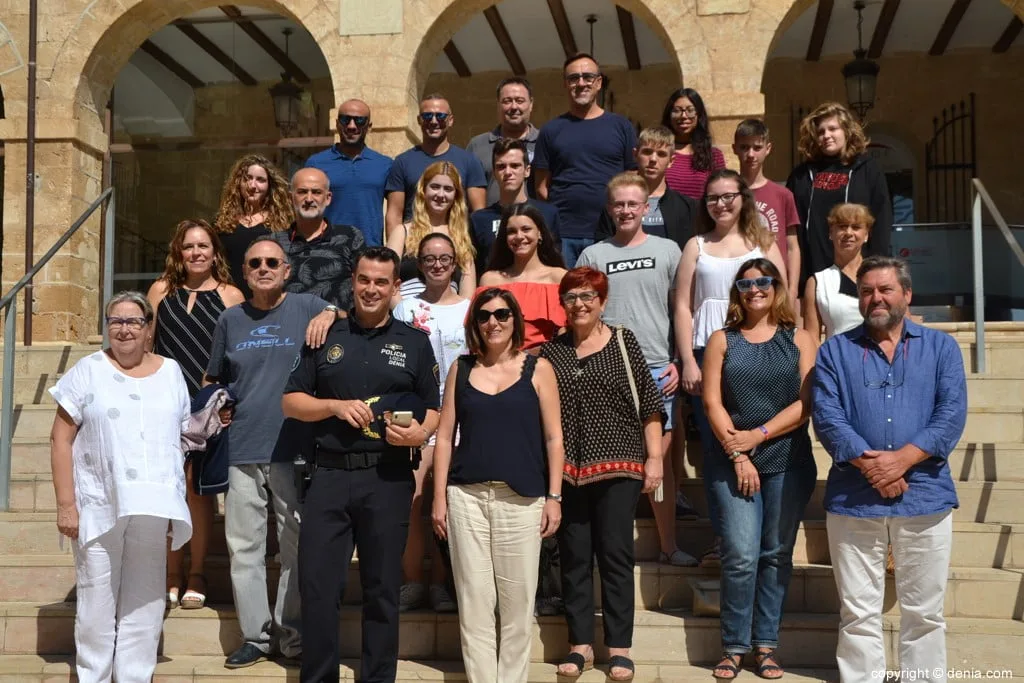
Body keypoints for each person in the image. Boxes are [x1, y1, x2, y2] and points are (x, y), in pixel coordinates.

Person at [282, 246, 442, 683]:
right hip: (329, 476)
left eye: (381, 282)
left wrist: (420, 433)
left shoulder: (415, 341)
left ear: (395, 288)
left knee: (382, 590)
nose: (371, 289)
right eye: (364, 280)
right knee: (317, 589)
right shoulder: (324, 334)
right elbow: (291, 401)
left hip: (388, 477)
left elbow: (435, 408)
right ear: (353, 281)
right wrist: (332, 406)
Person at [813, 256, 967, 683]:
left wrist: (902, 460)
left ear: (907, 295)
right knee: (858, 612)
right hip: (853, 498)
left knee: (925, 612)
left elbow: (951, 415)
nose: (875, 298)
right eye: (866, 291)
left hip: (925, 495)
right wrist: (872, 465)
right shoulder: (833, 351)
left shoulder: (941, 348)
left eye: (885, 290)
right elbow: (828, 417)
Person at [205, 236, 339, 669]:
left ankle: (294, 635)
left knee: (295, 547)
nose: (263, 268)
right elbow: (213, 379)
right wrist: (216, 405)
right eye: (254, 263)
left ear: (286, 270)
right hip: (242, 446)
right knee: (244, 547)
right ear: (244, 274)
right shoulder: (230, 319)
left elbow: (351, 318)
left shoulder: (307, 307)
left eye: (272, 262)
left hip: (294, 447)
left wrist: (332, 312)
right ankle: (256, 637)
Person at [49, 291, 193, 683]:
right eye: (116, 320)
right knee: (97, 599)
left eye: (134, 321)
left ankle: (134, 676)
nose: (124, 328)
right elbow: (60, 439)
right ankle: (94, 674)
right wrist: (66, 503)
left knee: (145, 600)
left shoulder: (172, 372)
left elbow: (183, 435)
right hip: (99, 502)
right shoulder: (87, 370)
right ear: (107, 327)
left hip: (153, 501)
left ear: (149, 329)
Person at [431, 288, 565, 683]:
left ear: (515, 319)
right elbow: (443, 436)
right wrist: (438, 497)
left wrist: (554, 497)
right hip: (465, 497)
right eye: (485, 316)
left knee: (518, 605)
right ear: (474, 323)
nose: (494, 322)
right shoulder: (461, 367)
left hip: (522, 500)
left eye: (502, 314)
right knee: (474, 604)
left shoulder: (538, 369)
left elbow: (554, 439)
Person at [539, 267, 665, 682]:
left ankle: (620, 649)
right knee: (573, 558)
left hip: (620, 466)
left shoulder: (623, 342)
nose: (579, 303)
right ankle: (580, 645)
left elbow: (650, 404)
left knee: (614, 555)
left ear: (603, 301)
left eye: (588, 295)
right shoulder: (552, 353)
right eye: (571, 296)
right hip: (568, 473)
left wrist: (655, 459)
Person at [700, 259, 816, 681]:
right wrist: (739, 452)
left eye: (763, 281)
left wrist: (759, 436)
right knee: (741, 555)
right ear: (737, 292)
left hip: (788, 461)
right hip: (733, 463)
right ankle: (733, 646)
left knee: (775, 554)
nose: (755, 289)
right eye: (746, 283)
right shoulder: (722, 340)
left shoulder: (800, 338)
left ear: (777, 287)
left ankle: (766, 645)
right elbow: (712, 403)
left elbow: (807, 403)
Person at [578, 172, 696, 568]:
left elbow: (683, 310)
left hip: (659, 368)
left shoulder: (669, 251)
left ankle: (668, 545)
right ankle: (608, 549)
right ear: (609, 209)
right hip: (607, 367)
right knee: (609, 462)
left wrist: (681, 361)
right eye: (619, 204)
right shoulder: (593, 255)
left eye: (634, 203)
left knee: (657, 463)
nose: (626, 210)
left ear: (647, 208)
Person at [674, 169, 786, 567]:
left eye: (728, 196)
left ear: (743, 198)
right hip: (707, 353)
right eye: (712, 198)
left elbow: (781, 299)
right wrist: (688, 357)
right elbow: (684, 305)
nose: (720, 204)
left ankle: (763, 535)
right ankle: (727, 539)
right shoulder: (696, 245)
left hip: (756, 354)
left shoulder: (763, 243)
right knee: (717, 450)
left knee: (757, 441)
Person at [147, 218, 244, 611]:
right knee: (168, 490)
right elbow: (147, 344)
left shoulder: (231, 295)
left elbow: (239, 355)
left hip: (209, 405)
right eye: (189, 246)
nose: (196, 252)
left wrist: (231, 404)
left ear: (215, 251)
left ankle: (197, 572)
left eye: (204, 245)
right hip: (164, 402)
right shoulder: (160, 291)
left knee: (197, 492)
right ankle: (170, 573)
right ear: (178, 252)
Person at [393, 233, 469, 613]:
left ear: (455, 262)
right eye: (428, 259)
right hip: (416, 416)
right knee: (412, 498)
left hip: (460, 419)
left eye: (444, 258)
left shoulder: (472, 308)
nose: (437, 264)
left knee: (449, 503)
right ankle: (412, 582)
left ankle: (440, 583)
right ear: (419, 264)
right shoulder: (405, 309)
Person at [534, 52, 638, 267]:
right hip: (563, 236)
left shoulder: (621, 127)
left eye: (587, 77)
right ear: (565, 84)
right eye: (574, 78)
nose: (581, 83)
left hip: (611, 232)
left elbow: (632, 180)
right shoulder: (550, 130)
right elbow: (542, 187)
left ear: (598, 82)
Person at [786, 102, 892, 288]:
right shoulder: (801, 176)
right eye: (821, 132)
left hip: (858, 276)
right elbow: (792, 228)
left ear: (846, 131)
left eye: (833, 129)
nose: (826, 135)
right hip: (812, 276)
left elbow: (882, 220)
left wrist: (877, 268)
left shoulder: (867, 169)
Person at [385, 93, 487, 238]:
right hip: (413, 245)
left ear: (450, 120)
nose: (433, 121)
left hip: (456, 244)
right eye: (427, 116)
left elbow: (478, 214)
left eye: (440, 116)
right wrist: (394, 254)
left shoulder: (470, 162)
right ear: (419, 120)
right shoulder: (402, 162)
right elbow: (394, 215)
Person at [304, 99, 393, 246]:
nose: (352, 126)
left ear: (369, 126)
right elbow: (306, 209)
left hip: (369, 252)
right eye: (346, 119)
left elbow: (394, 215)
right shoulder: (316, 163)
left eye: (359, 120)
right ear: (337, 124)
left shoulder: (385, 164)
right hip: (327, 250)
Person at [273, 168, 365, 310]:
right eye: (302, 192)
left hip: (338, 327)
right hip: (287, 328)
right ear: (291, 198)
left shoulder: (350, 238)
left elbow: (365, 285)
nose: (309, 199)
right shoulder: (273, 243)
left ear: (328, 198)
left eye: (316, 192)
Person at [479, 203, 567, 351]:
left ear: (540, 233)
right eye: (512, 231)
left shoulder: (559, 277)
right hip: (498, 365)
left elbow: (569, 332)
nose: (519, 236)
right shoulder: (490, 280)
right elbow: (480, 330)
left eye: (526, 229)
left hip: (547, 365)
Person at [595, 126, 699, 250]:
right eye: (647, 152)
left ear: (671, 161)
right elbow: (602, 248)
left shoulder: (686, 207)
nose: (653, 159)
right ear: (635, 154)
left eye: (661, 154)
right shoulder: (617, 203)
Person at [734, 119, 802, 304]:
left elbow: (792, 246)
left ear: (768, 148)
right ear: (734, 149)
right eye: (744, 147)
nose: (750, 154)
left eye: (757, 147)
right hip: (739, 283)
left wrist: (792, 289)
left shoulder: (783, 195)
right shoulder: (729, 193)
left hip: (775, 283)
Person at [469, 138, 560, 275]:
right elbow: (474, 269)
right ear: (494, 173)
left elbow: (554, 261)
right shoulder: (479, 220)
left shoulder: (548, 214)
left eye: (515, 166)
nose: (508, 172)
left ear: (527, 171)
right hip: (493, 290)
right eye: (501, 167)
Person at [387, 161, 477, 300]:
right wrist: (405, 314)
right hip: (406, 315)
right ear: (423, 190)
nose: (441, 195)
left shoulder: (461, 237)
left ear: (456, 196)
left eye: (448, 189)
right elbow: (387, 279)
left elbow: (468, 294)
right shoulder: (402, 232)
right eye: (435, 187)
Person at [214, 154, 293, 298]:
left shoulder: (283, 222)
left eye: (260, 180)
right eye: (247, 178)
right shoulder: (222, 222)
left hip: (269, 299)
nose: (252, 186)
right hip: (230, 300)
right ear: (238, 182)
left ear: (270, 185)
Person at [803, 203, 873, 340]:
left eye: (856, 227)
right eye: (842, 227)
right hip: (837, 360)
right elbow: (811, 340)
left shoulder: (883, 275)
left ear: (866, 235)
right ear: (831, 233)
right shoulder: (817, 282)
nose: (848, 233)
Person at [466, 78, 540, 204]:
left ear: (531, 104)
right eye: (507, 101)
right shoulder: (477, 146)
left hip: (534, 222)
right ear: (498, 105)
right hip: (490, 222)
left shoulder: (543, 142)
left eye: (520, 101)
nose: (514, 107)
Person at [662, 88, 726, 200]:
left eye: (690, 110)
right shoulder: (660, 152)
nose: (683, 116)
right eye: (677, 110)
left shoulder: (714, 156)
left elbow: (722, 194)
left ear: (699, 115)